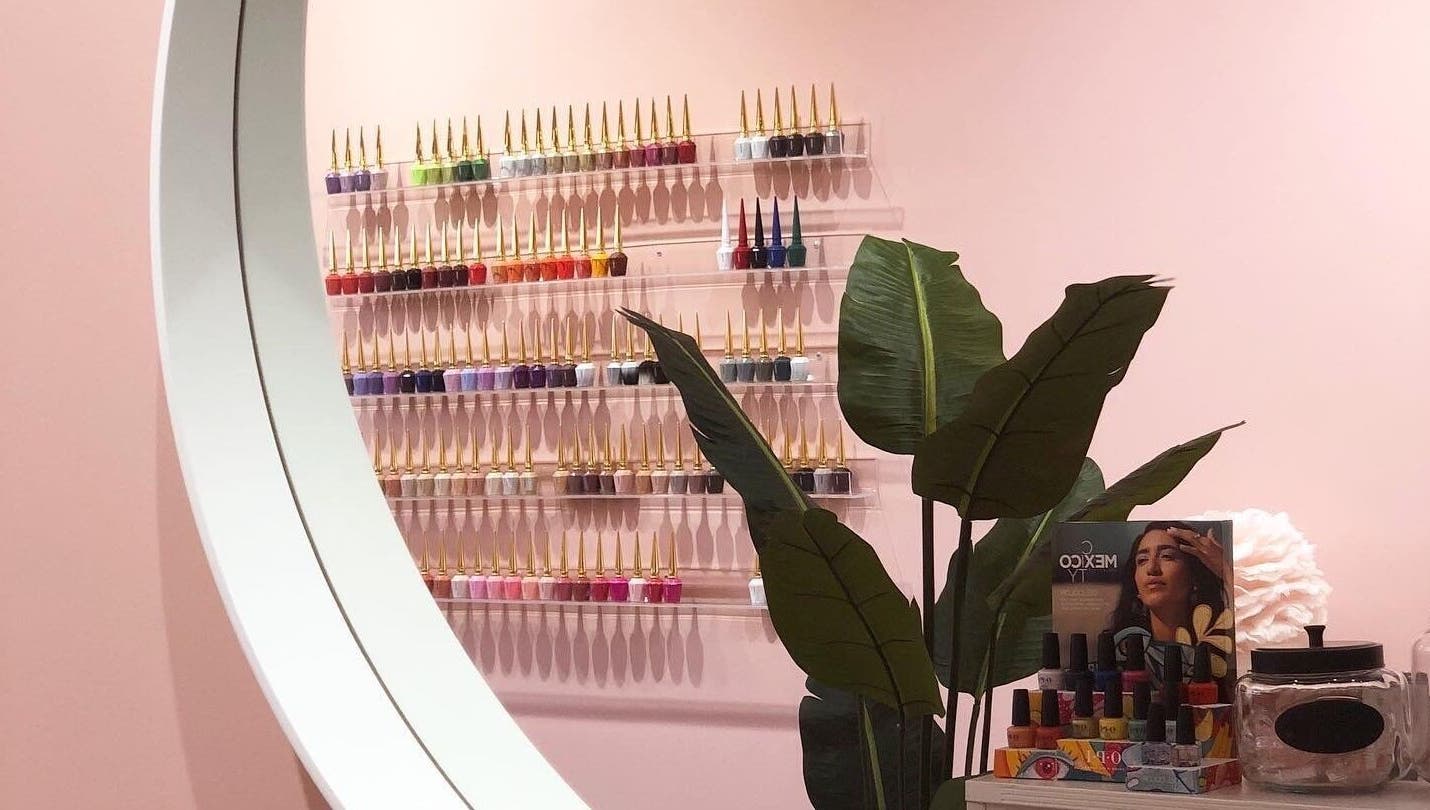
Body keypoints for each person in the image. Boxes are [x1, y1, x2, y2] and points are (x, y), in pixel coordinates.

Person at [1108, 521, 1228, 644]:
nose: (1152, 569)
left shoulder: (1223, 645)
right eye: (1142, 560)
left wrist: (1226, 570)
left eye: (1167, 556)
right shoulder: (1120, 651)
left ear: (1194, 576)